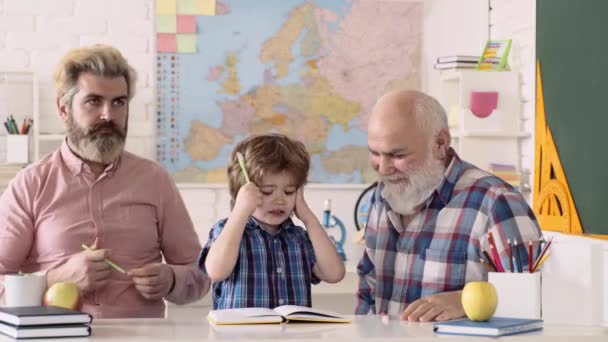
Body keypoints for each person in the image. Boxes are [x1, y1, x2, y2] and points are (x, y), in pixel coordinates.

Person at [0, 45, 209, 318]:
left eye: (119, 102)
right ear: (64, 109)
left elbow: (200, 273)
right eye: (93, 101)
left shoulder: (155, 180)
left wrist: (170, 280)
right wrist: (52, 280)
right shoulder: (30, 184)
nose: (108, 115)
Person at [356, 90, 542, 321]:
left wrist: (465, 301)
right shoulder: (383, 195)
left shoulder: (496, 202)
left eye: (398, 155)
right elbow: (369, 286)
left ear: (440, 143)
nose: (383, 169)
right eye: (375, 153)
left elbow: (533, 300)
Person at [199, 133, 345, 309]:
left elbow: (335, 274)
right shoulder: (227, 230)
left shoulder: (299, 238)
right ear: (244, 191)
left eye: (289, 191)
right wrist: (240, 210)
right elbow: (216, 271)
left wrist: (308, 218)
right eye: (267, 192)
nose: (280, 200)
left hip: (291, 336)